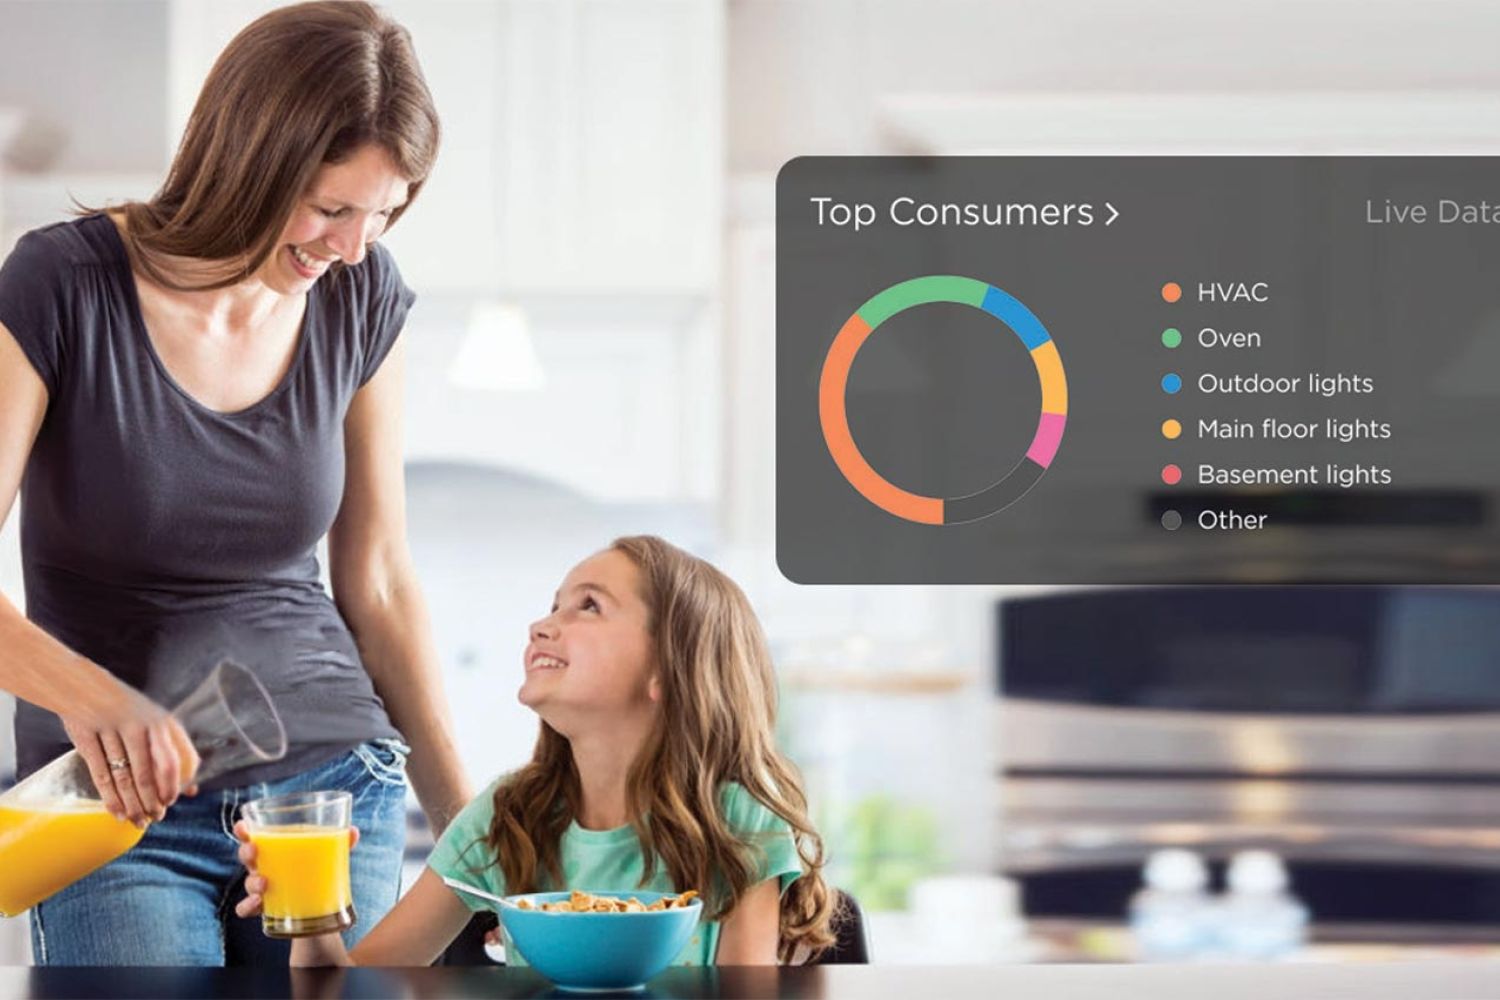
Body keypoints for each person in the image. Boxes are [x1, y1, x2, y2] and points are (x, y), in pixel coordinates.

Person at [0, 1, 470, 965]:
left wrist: (469, 829)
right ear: (251, 157)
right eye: (333, 207)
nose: (352, 245)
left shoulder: (361, 297)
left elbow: (376, 579)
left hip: (331, 786)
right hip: (114, 805)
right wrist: (93, 698)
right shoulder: (62, 285)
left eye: (384, 215)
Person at [237, 535, 838, 965]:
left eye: (589, 606)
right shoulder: (510, 816)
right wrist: (313, 918)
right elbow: (357, 986)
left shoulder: (737, 823)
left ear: (667, 671)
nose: (542, 625)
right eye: (554, 604)